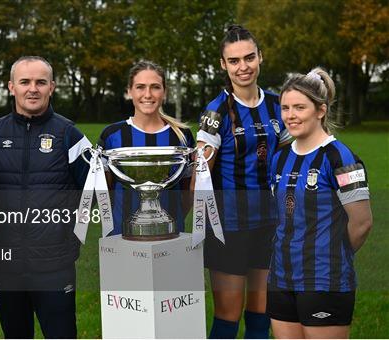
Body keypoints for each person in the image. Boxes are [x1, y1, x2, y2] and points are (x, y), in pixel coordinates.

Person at [0, 56, 91, 339]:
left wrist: (71, 233)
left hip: (55, 266)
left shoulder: (70, 135)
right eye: (25, 81)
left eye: (41, 82)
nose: (33, 89)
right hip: (6, 265)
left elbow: (97, 192)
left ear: (51, 87)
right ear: (10, 87)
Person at [195, 25, 292, 338]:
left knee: (262, 311)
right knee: (228, 314)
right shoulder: (216, 112)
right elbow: (201, 174)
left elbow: (293, 162)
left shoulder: (279, 105)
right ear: (223, 65)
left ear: (260, 57)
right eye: (234, 61)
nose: (243, 66)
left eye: (249, 57)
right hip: (229, 226)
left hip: (270, 224)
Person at [267, 67, 373, 338]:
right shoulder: (278, 157)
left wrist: (333, 254)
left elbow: (362, 223)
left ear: (321, 110)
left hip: (325, 280)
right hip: (281, 278)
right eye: (285, 107)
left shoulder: (340, 157)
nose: (291, 115)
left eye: (300, 107)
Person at [98, 60, 195, 237]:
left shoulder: (182, 135)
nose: (148, 94)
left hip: (171, 233)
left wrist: (175, 216)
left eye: (155, 87)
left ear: (164, 92)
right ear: (129, 91)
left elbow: (188, 191)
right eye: (140, 87)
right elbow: (106, 191)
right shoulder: (112, 135)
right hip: (122, 234)